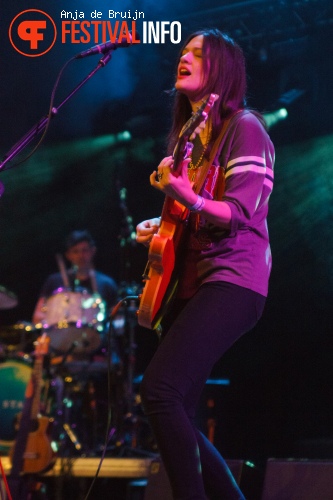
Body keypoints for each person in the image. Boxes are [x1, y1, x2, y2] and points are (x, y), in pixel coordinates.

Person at [136, 29, 274, 499]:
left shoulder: (246, 126)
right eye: (182, 51)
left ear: (223, 68)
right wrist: (162, 223)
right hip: (195, 281)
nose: (184, 57)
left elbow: (238, 212)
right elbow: (195, 210)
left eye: (198, 52)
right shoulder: (190, 140)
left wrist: (186, 197)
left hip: (234, 281)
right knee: (176, 407)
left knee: (160, 390)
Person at [32, 229, 118, 325]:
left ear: (93, 251)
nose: (81, 256)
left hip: (95, 338)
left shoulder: (106, 284)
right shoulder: (53, 281)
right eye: (75, 251)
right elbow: (37, 317)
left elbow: (117, 319)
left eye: (84, 250)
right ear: (68, 255)